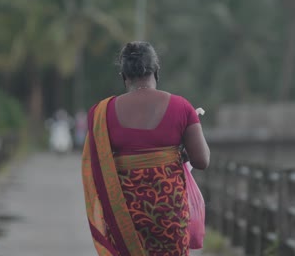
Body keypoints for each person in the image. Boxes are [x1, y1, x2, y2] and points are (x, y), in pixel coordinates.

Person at [81, 41, 210, 256]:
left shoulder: (103, 112)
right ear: (156, 72)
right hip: (169, 215)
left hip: (124, 216)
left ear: (123, 76)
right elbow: (202, 161)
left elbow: (97, 167)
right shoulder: (182, 107)